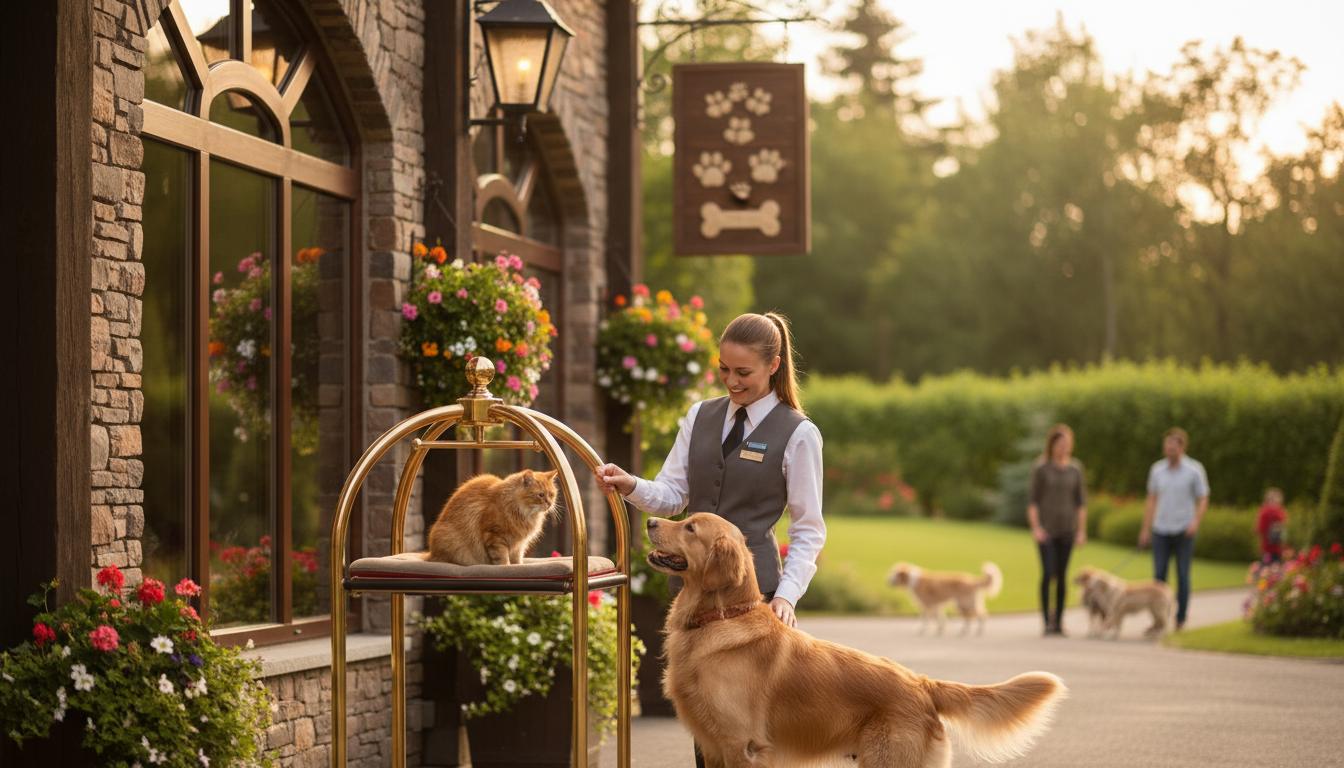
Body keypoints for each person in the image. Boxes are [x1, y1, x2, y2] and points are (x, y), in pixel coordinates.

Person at [596, 312, 825, 629]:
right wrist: (630, 485)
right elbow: (674, 495)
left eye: (743, 372)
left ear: (773, 365)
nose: (732, 381)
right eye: (724, 369)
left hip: (755, 598)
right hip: (690, 593)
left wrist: (786, 596)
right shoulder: (699, 415)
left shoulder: (799, 434)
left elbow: (808, 529)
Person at [1138, 427, 1209, 630]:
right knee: (1158, 577)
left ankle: (1180, 618)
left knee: (1183, 575)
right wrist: (1145, 528)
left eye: (1173, 445)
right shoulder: (1157, 470)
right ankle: (1159, 620)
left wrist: (1195, 522)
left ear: (1181, 447)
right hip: (1161, 529)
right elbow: (1151, 500)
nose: (1169, 448)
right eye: (1167, 445)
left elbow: (1203, 498)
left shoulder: (1194, 470)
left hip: (1184, 530)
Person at [1027, 424, 1088, 636]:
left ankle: (1059, 621)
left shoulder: (1075, 469)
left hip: (1067, 530)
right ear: (1052, 445)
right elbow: (1033, 501)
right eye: (1060, 444)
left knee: (1062, 575)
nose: (1064, 448)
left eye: (1067, 444)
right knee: (1048, 574)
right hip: (1047, 531)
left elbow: (1081, 503)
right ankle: (1046, 621)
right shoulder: (1042, 468)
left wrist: (1081, 531)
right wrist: (1036, 528)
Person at [1256, 487, 1288, 565]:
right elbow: (1284, 526)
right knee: (1276, 571)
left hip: (1266, 547)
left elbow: (1259, 529)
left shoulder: (1264, 511)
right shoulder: (1280, 511)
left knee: (1266, 570)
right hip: (1278, 547)